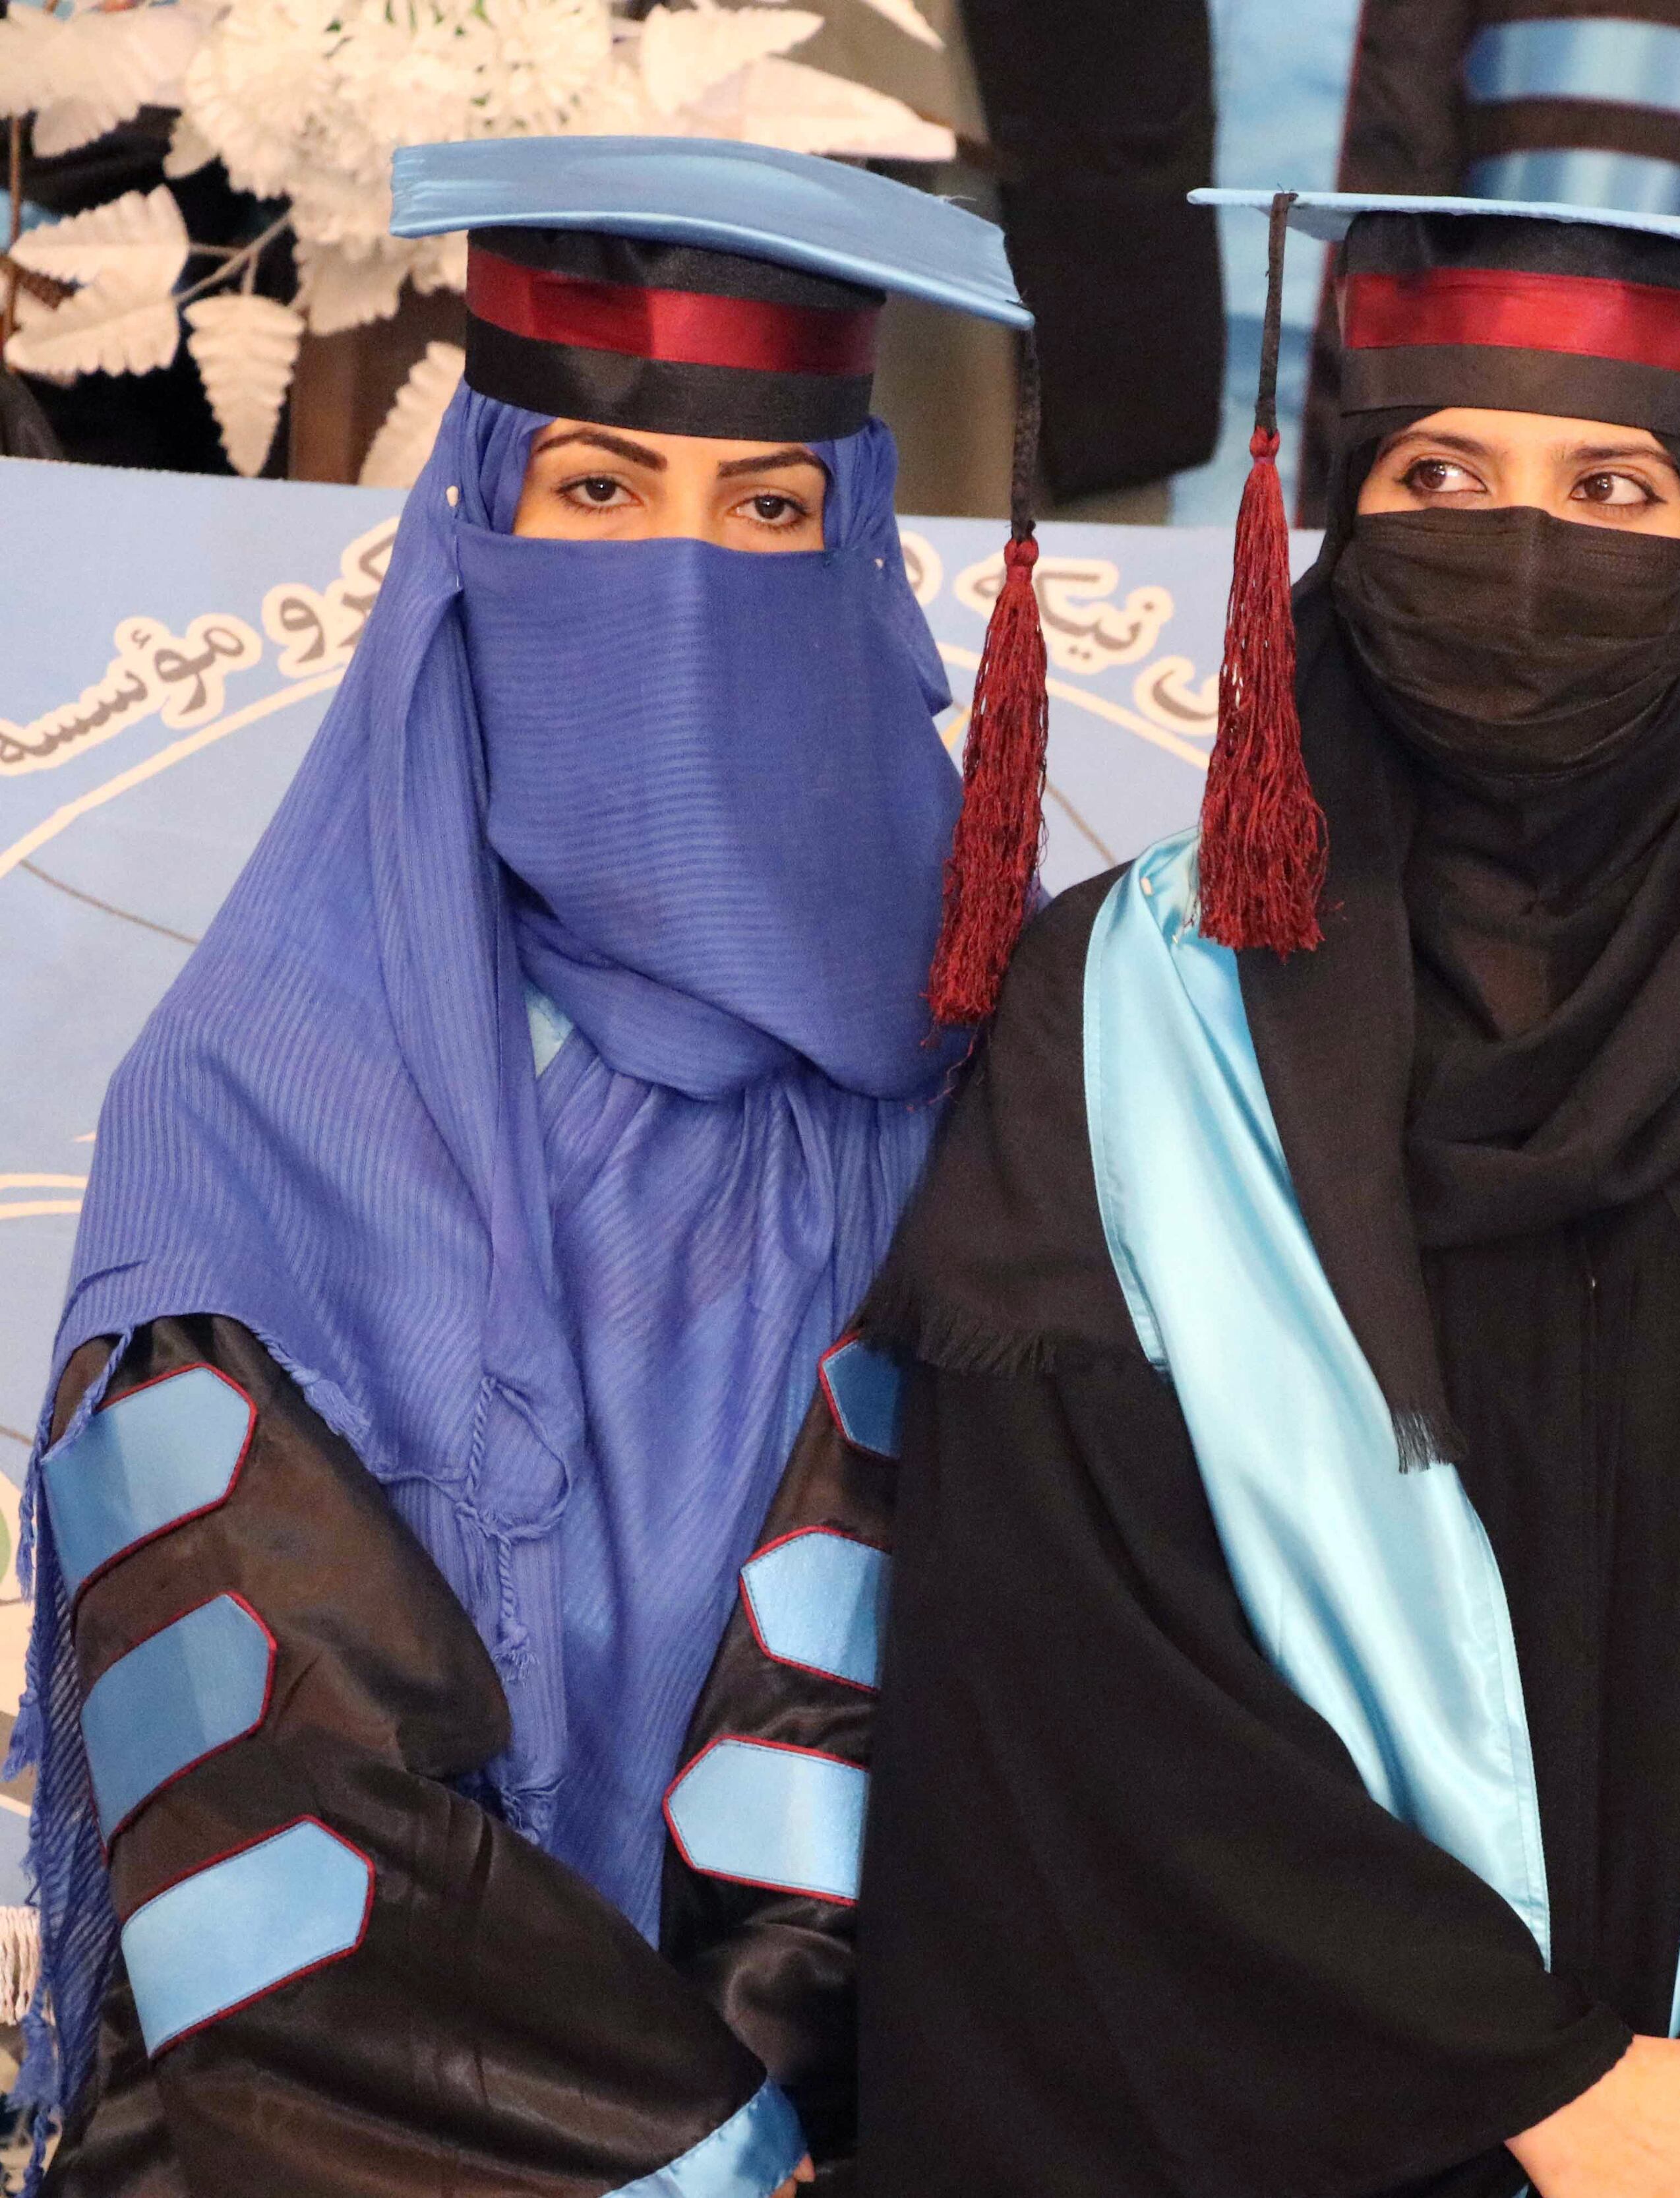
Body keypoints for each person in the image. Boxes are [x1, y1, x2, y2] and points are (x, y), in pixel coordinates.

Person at [849, 187, 1680, 2198]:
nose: (1519, 547)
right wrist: (1513, 2082)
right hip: (1232, 2107)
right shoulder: (1118, 996)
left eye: (1615, 484)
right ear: (1343, 523)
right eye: (1441, 472)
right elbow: (1056, 1634)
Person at [14, 137, 1049, 2196]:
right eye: (598, 494)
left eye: (766, 511)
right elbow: (280, 1825)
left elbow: (1014, 1689)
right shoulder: (252, 1099)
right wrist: (716, 2155)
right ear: (469, 538)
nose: (679, 577)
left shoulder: (1000, 1079)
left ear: (862, 564)